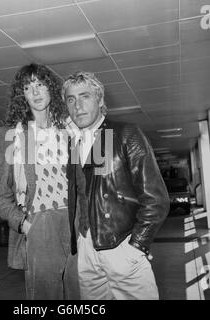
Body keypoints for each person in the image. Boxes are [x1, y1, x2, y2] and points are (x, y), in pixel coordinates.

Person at [62, 71, 170, 300]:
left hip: (121, 245)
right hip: (87, 248)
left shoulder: (124, 134)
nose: (77, 105)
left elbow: (156, 199)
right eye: (71, 99)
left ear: (100, 100)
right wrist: (81, 243)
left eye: (85, 96)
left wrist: (136, 247)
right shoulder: (74, 145)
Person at [0, 63, 78, 299]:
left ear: (51, 88)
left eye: (40, 85)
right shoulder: (11, 134)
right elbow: (0, 196)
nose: (36, 92)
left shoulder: (70, 129)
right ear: (22, 96)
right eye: (28, 88)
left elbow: (95, 175)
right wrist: (24, 224)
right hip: (40, 222)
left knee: (81, 294)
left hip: (76, 221)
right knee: (46, 296)